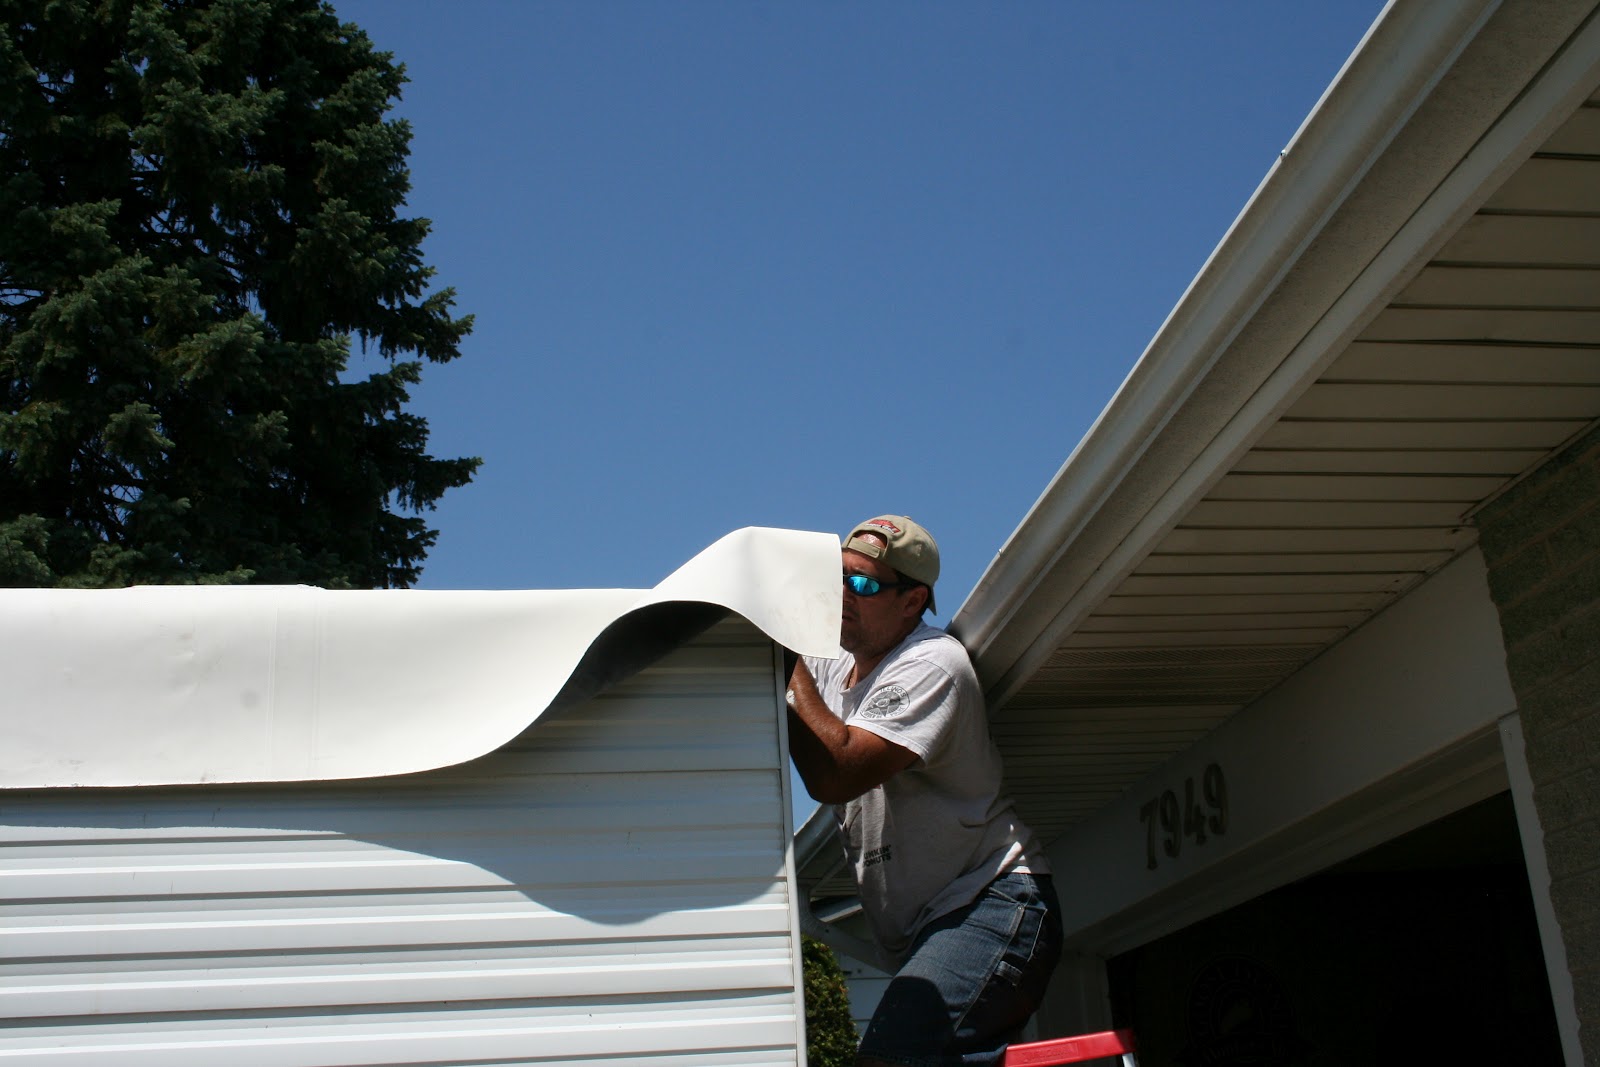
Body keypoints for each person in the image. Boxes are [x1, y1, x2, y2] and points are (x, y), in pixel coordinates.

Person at [786, 514, 1062, 1067]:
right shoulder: (833, 665)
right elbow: (771, 645)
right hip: (927, 931)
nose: (843, 594)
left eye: (863, 584)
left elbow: (837, 773)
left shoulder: (931, 663)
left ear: (912, 602)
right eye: (838, 577)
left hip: (991, 905)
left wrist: (785, 668)